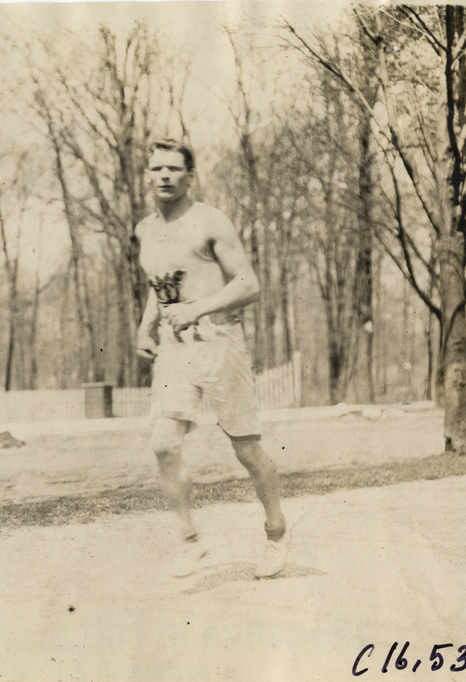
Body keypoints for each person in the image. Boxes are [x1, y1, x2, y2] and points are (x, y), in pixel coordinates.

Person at [134, 138, 289, 578]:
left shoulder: (210, 222)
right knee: (164, 443)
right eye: (156, 169)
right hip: (175, 347)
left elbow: (249, 285)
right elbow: (160, 283)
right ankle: (189, 541)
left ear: (190, 175)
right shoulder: (146, 229)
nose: (164, 176)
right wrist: (146, 326)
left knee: (246, 447)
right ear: (147, 175)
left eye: (173, 169)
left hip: (220, 340)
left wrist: (197, 309)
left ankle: (276, 531)